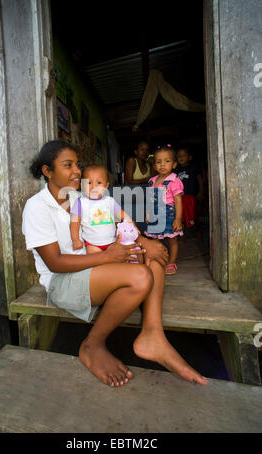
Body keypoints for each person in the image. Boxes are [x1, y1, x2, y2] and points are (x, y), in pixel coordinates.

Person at [22, 140, 208, 388]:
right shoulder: (37, 207)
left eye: (78, 165)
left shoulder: (80, 195)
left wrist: (143, 241)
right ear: (48, 171)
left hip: (94, 267)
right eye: (68, 165)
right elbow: (55, 263)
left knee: (152, 259)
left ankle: (153, 335)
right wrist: (109, 256)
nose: (77, 171)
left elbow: (117, 217)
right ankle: (92, 345)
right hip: (63, 280)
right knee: (140, 277)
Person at [70, 164, 139, 256]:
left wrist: (131, 224)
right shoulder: (81, 202)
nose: (94, 187)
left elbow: (122, 215)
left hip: (113, 242)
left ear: (106, 185)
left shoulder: (110, 201)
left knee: (116, 260)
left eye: (99, 183)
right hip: (92, 244)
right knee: (97, 261)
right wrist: (75, 240)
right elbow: (75, 222)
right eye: (89, 183)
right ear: (82, 185)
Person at [144, 145, 183, 275]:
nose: (162, 165)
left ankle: (171, 263)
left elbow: (178, 201)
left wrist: (178, 219)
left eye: (167, 161)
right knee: (154, 240)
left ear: (174, 164)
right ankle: (157, 260)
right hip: (155, 214)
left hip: (169, 215)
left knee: (172, 240)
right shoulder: (152, 181)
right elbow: (150, 199)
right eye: (158, 162)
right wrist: (148, 213)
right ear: (154, 166)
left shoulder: (174, 181)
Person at [176, 147, 204, 230]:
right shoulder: (176, 170)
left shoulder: (193, 168)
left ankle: (198, 231)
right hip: (180, 197)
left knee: (193, 216)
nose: (181, 157)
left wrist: (201, 192)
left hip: (190, 196)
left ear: (190, 157)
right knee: (181, 216)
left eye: (184, 155)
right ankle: (182, 235)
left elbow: (200, 180)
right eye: (179, 156)